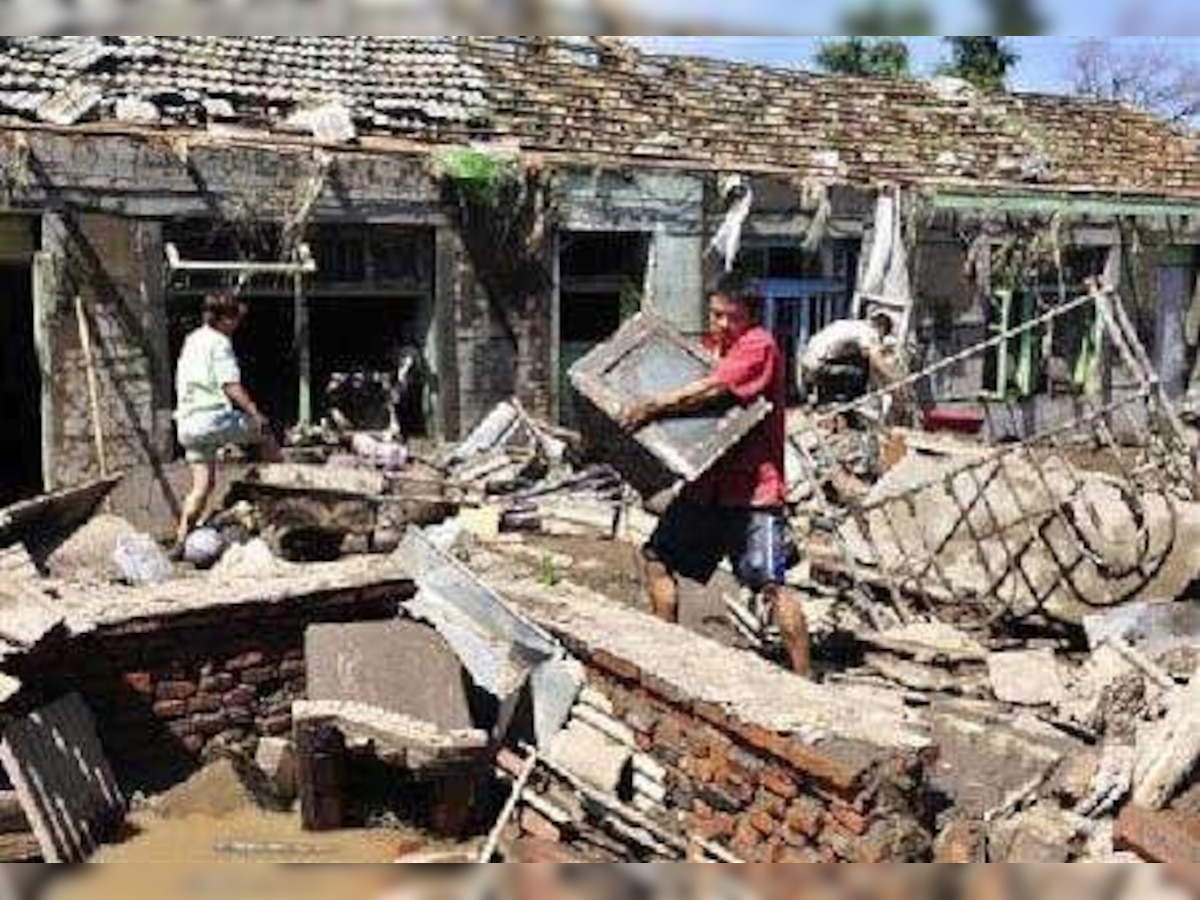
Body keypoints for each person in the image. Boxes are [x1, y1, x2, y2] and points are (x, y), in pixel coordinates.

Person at [620, 287, 811, 677]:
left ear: (751, 317)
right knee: (657, 558)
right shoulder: (709, 349)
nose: (722, 324)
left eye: (732, 317)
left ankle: (805, 679)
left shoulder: (758, 346)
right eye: (715, 315)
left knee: (772, 584)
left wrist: (653, 405)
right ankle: (666, 661)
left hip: (753, 491)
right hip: (706, 486)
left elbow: (715, 387)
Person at [173, 292, 282, 548]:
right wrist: (256, 414)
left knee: (202, 486)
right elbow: (230, 385)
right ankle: (282, 494)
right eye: (235, 319)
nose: (236, 325)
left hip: (187, 425)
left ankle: (180, 540)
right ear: (224, 319)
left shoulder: (192, 339)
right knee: (264, 432)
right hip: (212, 419)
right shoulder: (220, 342)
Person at [800, 310, 897, 405]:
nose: (880, 339)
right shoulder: (869, 331)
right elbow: (875, 359)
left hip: (806, 362)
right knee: (859, 374)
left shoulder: (852, 324)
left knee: (855, 361)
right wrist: (892, 379)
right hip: (817, 367)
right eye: (883, 335)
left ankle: (824, 398)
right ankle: (845, 407)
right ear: (881, 328)